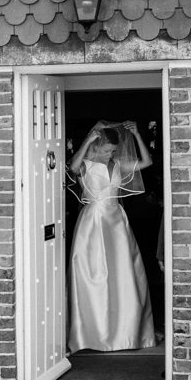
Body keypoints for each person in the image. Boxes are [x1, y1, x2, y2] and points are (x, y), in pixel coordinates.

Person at [66, 121, 156, 353]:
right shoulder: (85, 164)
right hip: (93, 221)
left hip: (117, 222)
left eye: (113, 151)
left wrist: (136, 135)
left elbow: (147, 162)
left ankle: (126, 332)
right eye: (107, 150)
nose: (110, 154)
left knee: (123, 273)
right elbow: (73, 168)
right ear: (96, 147)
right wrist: (87, 141)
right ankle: (92, 334)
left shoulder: (117, 165)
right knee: (93, 273)